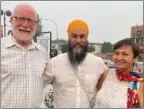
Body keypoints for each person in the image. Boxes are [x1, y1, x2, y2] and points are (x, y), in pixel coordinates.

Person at [42, 19, 109, 108]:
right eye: (74, 36)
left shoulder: (98, 63)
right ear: (69, 38)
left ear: (86, 38)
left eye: (82, 36)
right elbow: (38, 85)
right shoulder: (55, 62)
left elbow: (109, 87)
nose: (78, 40)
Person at [1, 4, 48, 108]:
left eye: (31, 21)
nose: (26, 25)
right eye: (21, 18)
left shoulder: (42, 53)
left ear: (36, 25)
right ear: (12, 20)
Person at [95, 39, 143, 108]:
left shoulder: (136, 83)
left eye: (125, 54)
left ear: (135, 58)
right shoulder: (106, 74)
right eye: (116, 53)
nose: (119, 58)